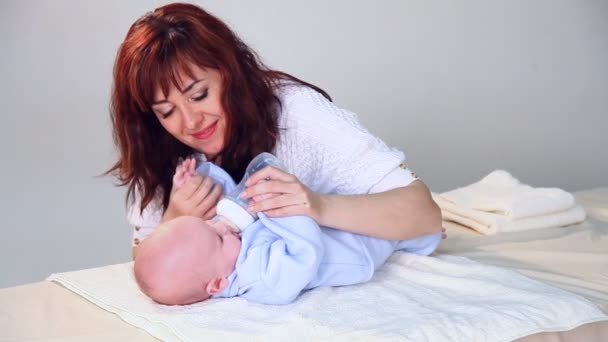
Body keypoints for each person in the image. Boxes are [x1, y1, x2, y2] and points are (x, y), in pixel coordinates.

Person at [105, 2, 442, 258]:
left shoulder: (297, 114)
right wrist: (174, 222)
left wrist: (318, 206)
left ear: (230, 72)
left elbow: (424, 214)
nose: (191, 122)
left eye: (199, 95)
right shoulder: (160, 150)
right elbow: (144, 262)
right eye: (167, 112)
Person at [134, 161, 443, 305]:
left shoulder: (220, 251)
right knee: (385, 238)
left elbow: (232, 201)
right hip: (352, 254)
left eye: (207, 222)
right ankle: (423, 237)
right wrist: (276, 207)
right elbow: (305, 251)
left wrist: (197, 180)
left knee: (364, 208)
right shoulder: (261, 278)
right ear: (217, 284)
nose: (217, 224)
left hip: (328, 229)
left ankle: (417, 229)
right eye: (215, 235)